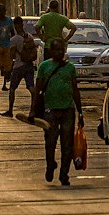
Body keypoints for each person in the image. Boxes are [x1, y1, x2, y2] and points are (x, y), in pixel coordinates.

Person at [31, 38, 84, 186]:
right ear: (51, 51)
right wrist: (33, 110)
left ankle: (64, 174)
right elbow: (37, 90)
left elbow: (75, 90)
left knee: (67, 145)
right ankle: (50, 164)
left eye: (62, 50)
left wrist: (80, 112)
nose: (60, 52)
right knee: (50, 142)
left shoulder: (70, 68)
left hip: (68, 110)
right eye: (57, 50)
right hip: (50, 111)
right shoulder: (44, 67)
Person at [1, 16, 37, 117]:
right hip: (29, 65)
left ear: (15, 26)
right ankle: (33, 110)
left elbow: (12, 55)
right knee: (31, 88)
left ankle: (10, 110)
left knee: (12, 89)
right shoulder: (29, 37)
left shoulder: (14, 39)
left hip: (18, 66)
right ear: (22, 24)